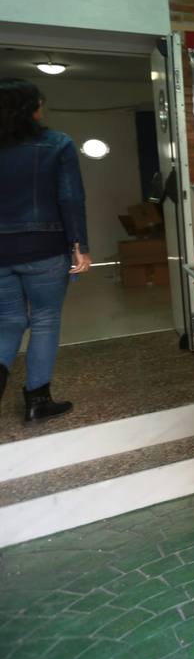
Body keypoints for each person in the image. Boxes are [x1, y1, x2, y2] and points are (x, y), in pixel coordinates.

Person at [0, 78, 89, 422]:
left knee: (7, 321)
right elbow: (70, 197)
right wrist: (80, 246)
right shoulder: (57, 144)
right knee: (45, 319)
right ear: (32, 108)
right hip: (44, 248)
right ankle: (37, 401)